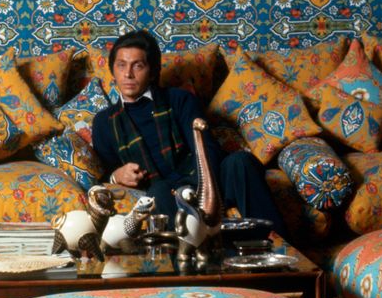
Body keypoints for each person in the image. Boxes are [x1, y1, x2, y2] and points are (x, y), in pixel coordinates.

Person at [91, 30, 287, 236]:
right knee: (158, 194)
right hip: (162, 191)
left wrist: (193, 189)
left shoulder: (179, 99)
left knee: (241, 162)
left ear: (152, 71)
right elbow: (102, 175)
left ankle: (279, 250)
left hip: (204, 178)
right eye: (121, 65)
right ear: (113, 70)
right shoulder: (104, 121)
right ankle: (195, 261)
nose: (128, 74)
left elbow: (207, 148)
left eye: (138, 66)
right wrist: (116, 175)